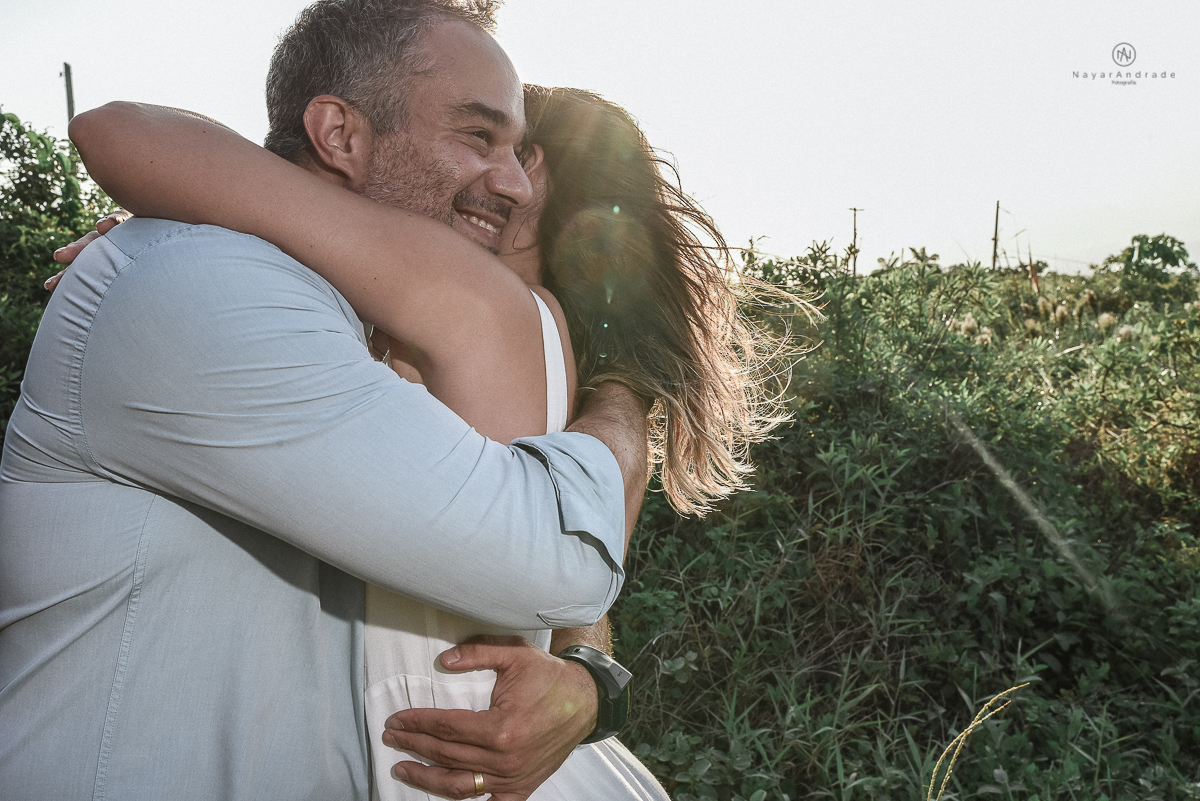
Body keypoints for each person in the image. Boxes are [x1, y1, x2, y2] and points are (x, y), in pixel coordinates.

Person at [62, 80, 790, 800]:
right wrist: (204, 234)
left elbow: (118, 130)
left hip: (430, 749)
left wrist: (196, 221)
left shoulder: (467, 300)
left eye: (515, 148)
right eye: (480, 139)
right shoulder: (562, 352)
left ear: (549, 189)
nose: (489, 171)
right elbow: (576, 587)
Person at [0, 3, 648, 800]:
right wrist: (625, 415)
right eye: (478, 138)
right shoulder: (205, 288)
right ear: (340, 135)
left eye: (518, 151)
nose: (512, 185)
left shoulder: (361, 324)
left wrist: (584, 675)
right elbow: (553, 555)